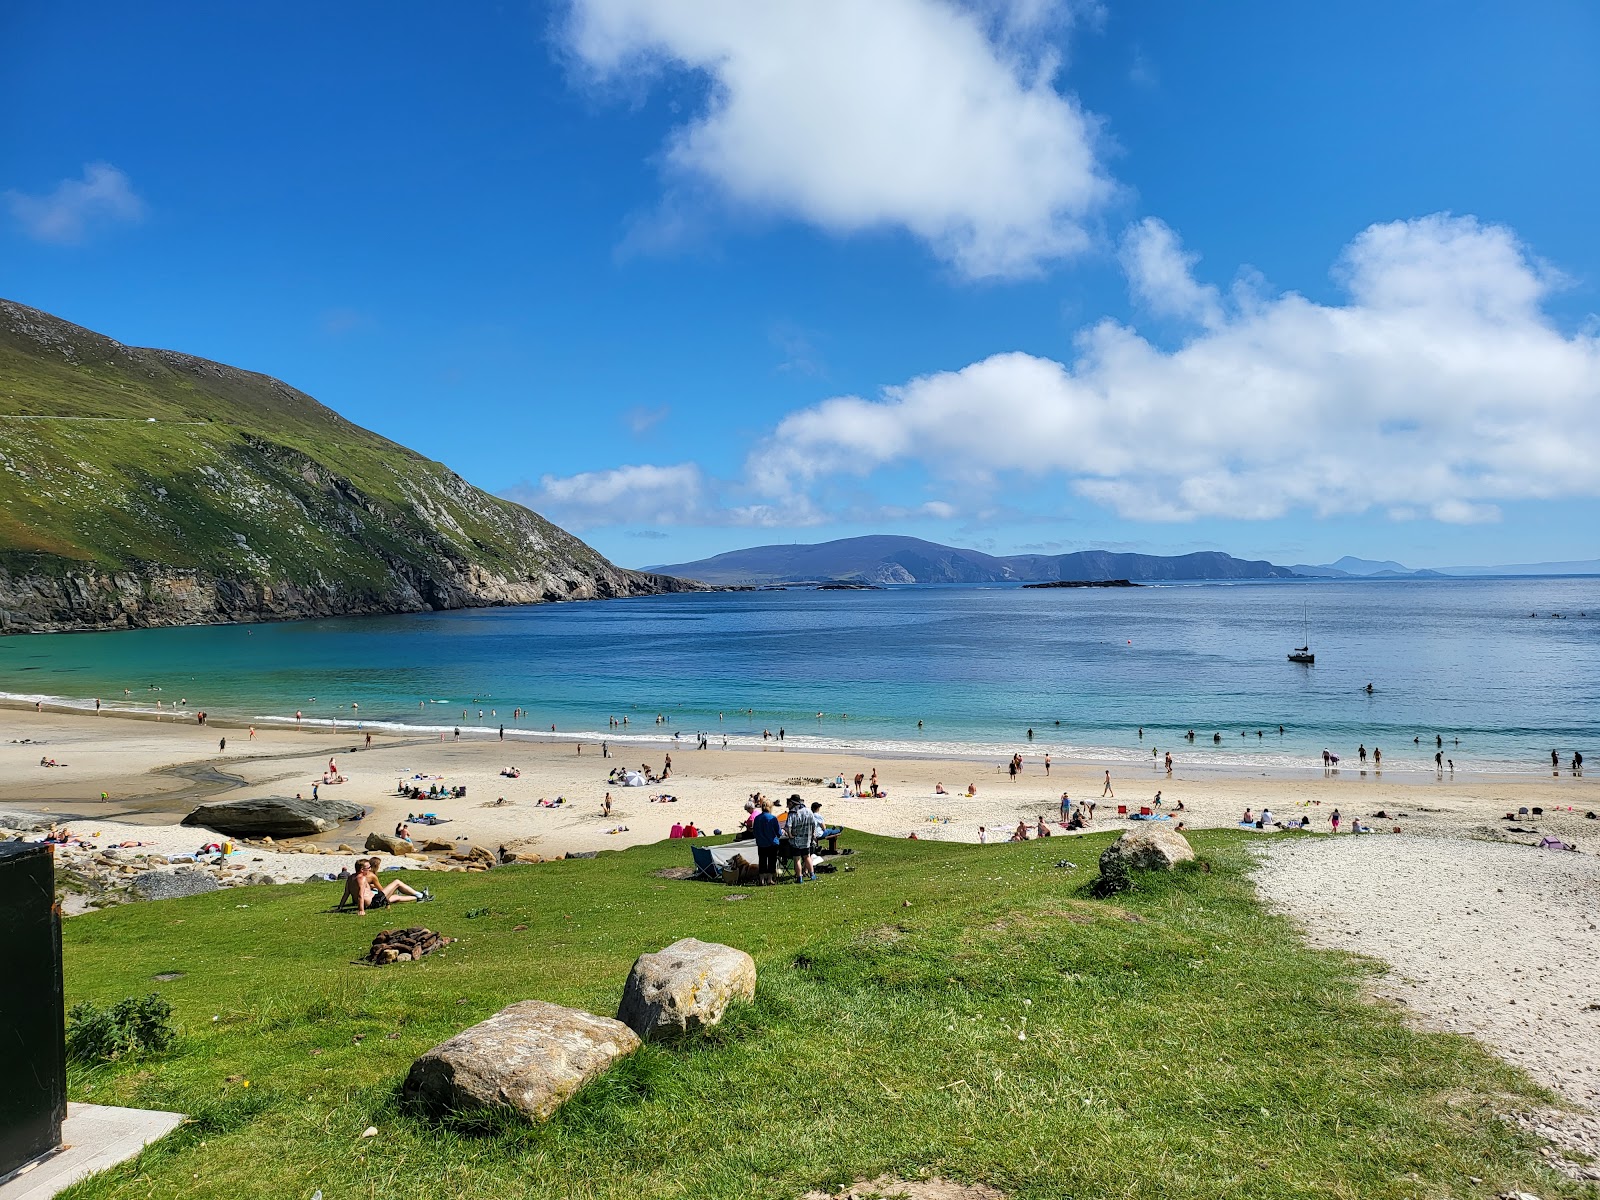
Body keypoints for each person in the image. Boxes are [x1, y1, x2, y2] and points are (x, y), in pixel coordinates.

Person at [785, 796, 819, 882]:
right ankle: (812, 875)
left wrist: (790, 835)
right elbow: (814, 824)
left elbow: (788, 826)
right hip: (806, 839)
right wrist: (812, 834)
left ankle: (799, 877)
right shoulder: (808, 811)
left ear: (793, 803)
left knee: (797, 859)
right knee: (807, 857)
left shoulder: (793, 813)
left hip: (796, 840)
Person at [753, 799, 781, 880]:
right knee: (772, 861)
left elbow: (754, 832)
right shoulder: (773, 818)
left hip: (761, 843)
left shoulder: (757, 818)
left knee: (762, 861)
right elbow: (778, 832)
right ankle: (769, 879)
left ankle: (761, 880)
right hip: (772, 843)